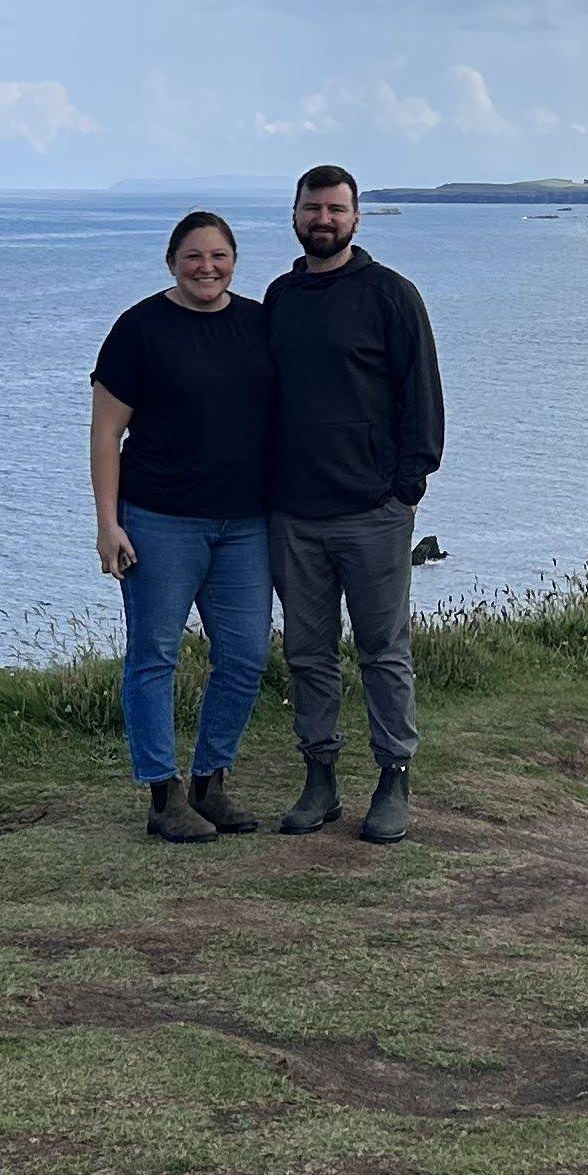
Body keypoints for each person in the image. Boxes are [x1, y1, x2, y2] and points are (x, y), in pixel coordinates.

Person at [263, 162, 445, 844]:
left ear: (356, 217)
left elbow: (422, 398)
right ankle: (319, 780)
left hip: (373, 512)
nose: (324, 220)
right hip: (293, 514)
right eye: (313, 208)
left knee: (382, 652)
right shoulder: (279, 298)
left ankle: (394, 779)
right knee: (307, 654)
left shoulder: (391, 296)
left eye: (336, 209)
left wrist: (406, 489)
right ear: (295, 213)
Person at [88, 208, 279, 844]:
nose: (207, 267)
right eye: (193, 256)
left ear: (234, 261)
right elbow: (106, 433)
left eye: (219, 255)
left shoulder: (258, 324)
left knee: (247, 654)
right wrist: (107, 523)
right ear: (172, 261)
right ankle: (162, 795)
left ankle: (211, 783)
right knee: (154, 656)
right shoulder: (139, 329)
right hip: (158, 521)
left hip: (245, 524)